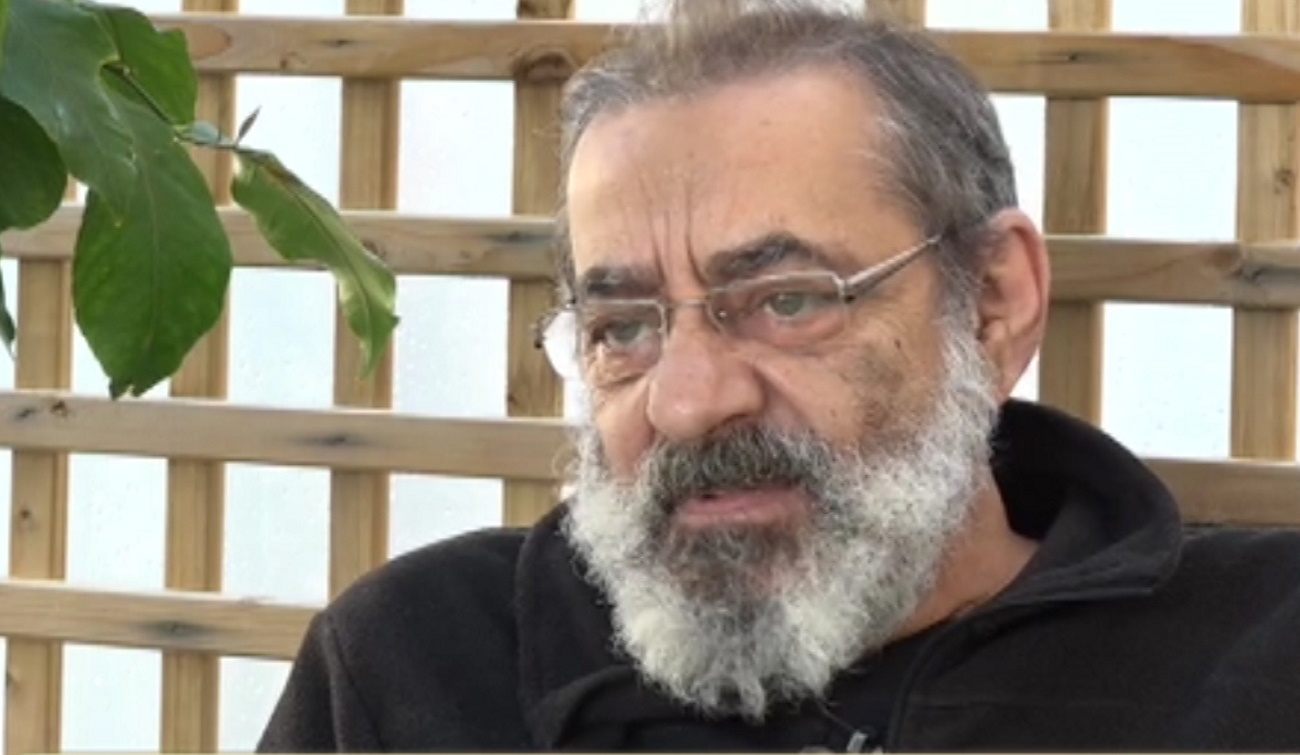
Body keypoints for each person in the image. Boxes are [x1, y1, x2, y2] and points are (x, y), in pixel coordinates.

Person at [256, 0, 1300, 751]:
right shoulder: (422, 662)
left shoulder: (1258, 662)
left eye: (786, 301)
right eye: (624, 327)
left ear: (991, 302)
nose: (687, 401)